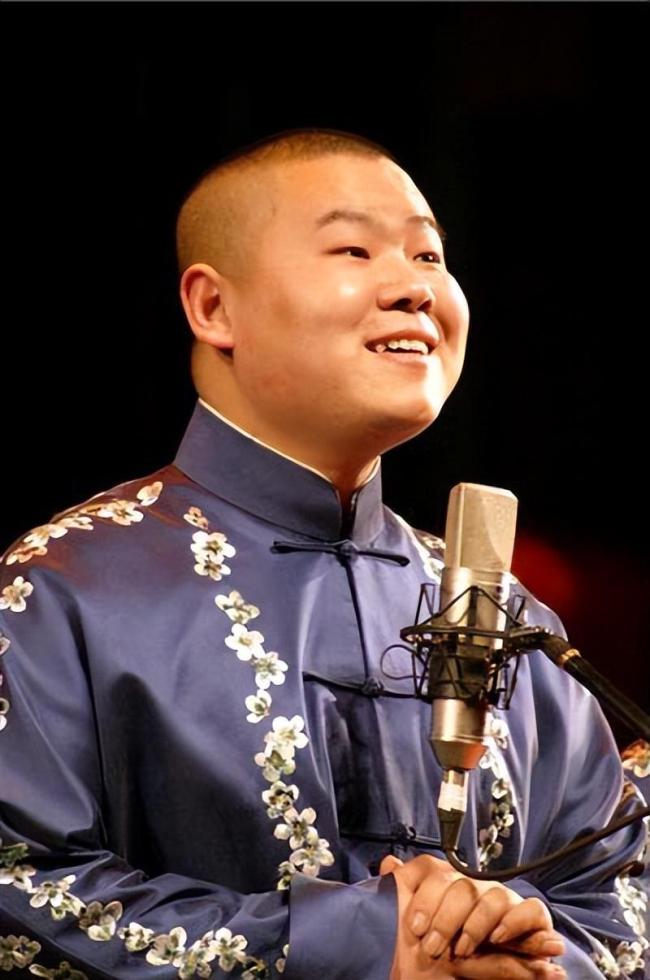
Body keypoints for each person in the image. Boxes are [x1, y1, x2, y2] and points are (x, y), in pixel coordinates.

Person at [0, 129, 647, 980]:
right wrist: (364, 943)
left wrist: (517, 952)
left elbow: (619, 896)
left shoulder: (505, 612)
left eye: (428, 254)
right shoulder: (65, 585)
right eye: (354, 250)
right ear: (214, 308)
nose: (413, 286)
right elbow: (19, 892)